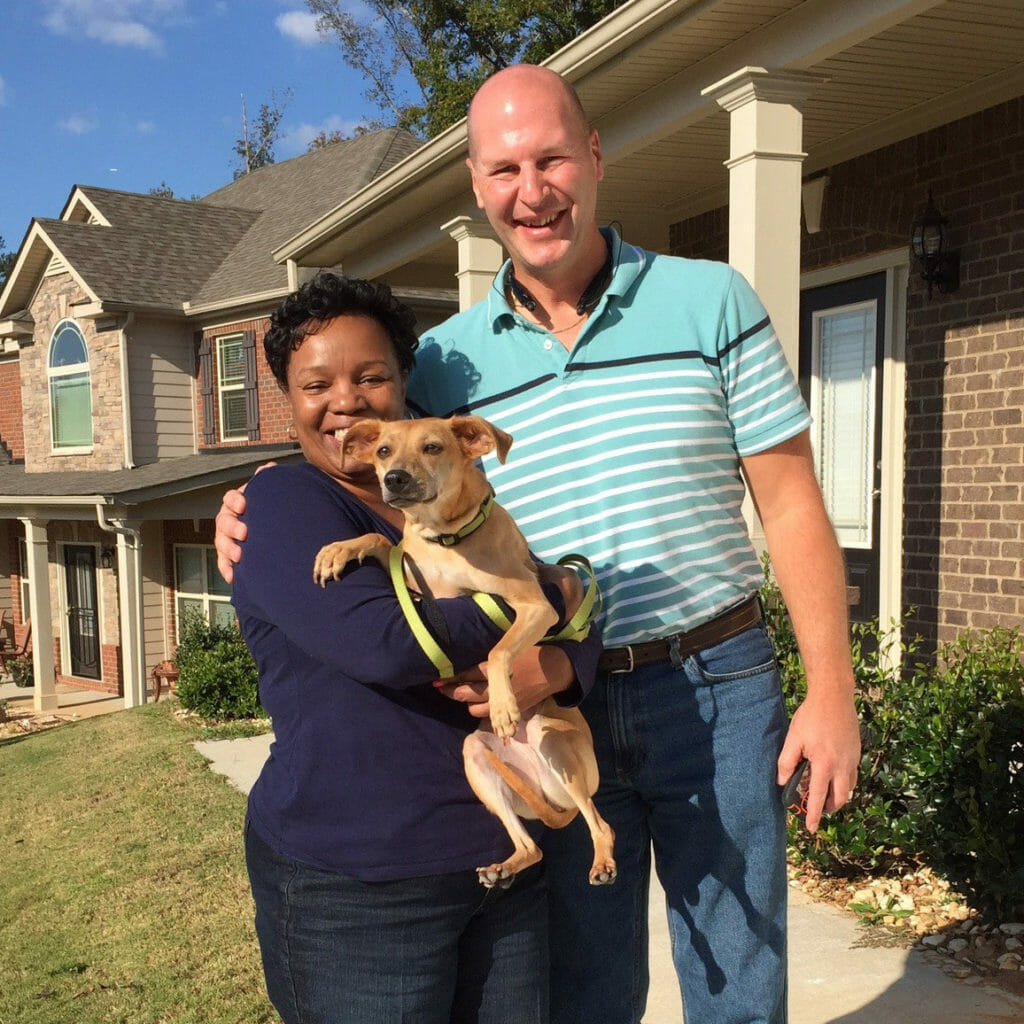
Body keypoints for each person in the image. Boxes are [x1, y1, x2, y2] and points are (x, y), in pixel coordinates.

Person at [218, 65, 861, 1024]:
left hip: (715, 691)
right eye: (506, 168)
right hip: (552, 693)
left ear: (594, 157)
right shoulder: (447, 360)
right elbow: (377, 458)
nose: (534, 191)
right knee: (586, 993)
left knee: (738, 981)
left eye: (552, 157)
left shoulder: (711, 301)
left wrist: (832, 689)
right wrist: (261, 497)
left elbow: (794, 503)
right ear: (478, 189)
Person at [229, 271, 600, 1024]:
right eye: (315, 383)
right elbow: (388, 645)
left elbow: (574, 635)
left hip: (499, 856)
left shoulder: (448, 501)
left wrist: (559, 654)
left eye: (371, 377)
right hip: (359, 883)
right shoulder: (285, 503)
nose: (345, 400)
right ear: (288, 398)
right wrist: (547, 594)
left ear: (403, 384)